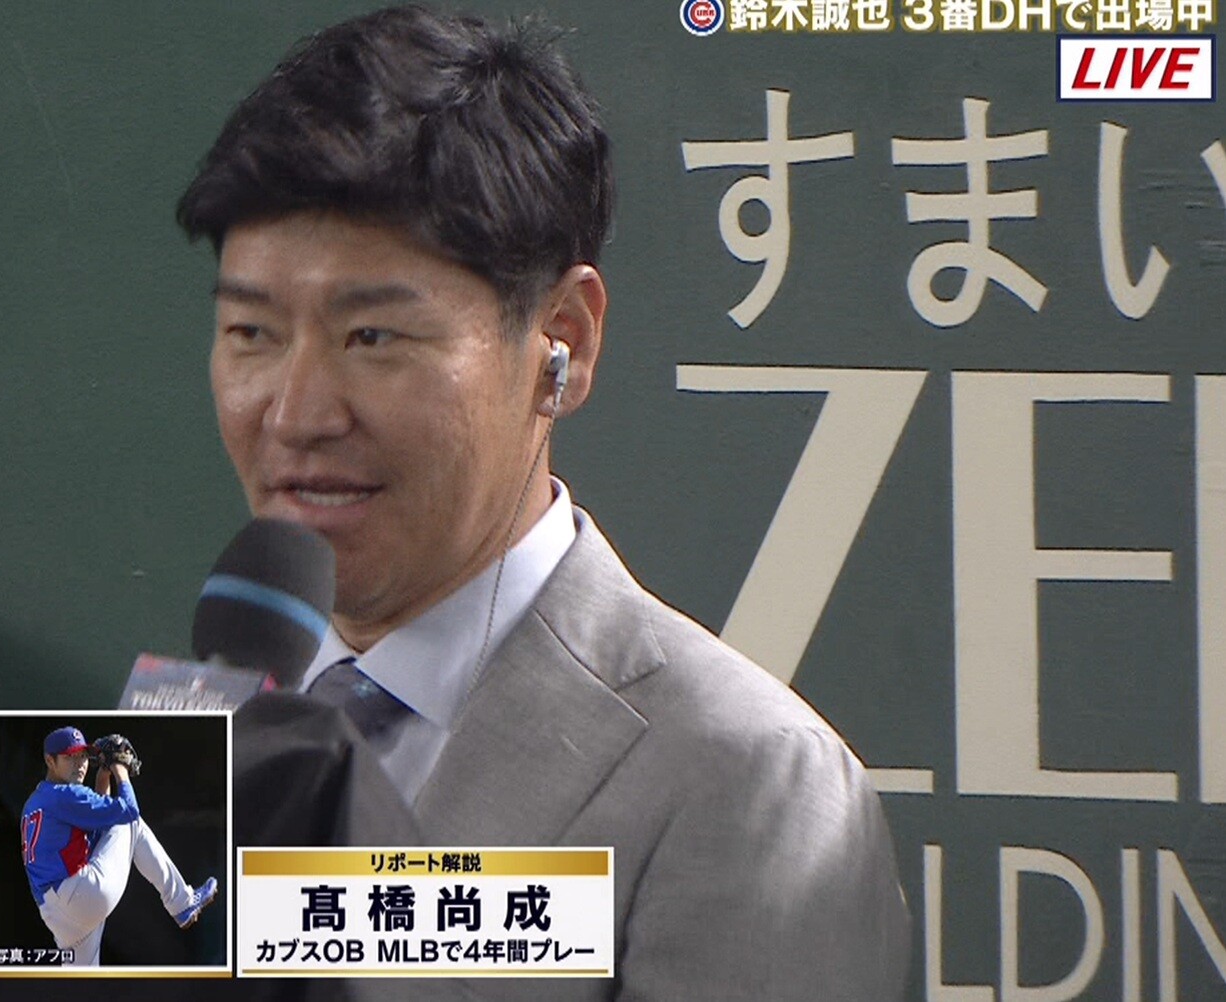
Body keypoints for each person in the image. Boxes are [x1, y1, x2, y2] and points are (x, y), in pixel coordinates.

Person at [175, 5, 910, 1000]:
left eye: (372, 338)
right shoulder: (188, 741)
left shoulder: (747, 782)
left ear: (563, 340)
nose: (296, 414)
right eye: (252, 335)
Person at [20, 725, 218, 966]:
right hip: (80, 894)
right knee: (131, 824)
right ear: (49, 760)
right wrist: (120, 771)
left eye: (83, 756)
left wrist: (103, 776)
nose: (80, 764)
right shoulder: (66, 795)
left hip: (55, 915)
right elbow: (129, 811)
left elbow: (97, 831)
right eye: (70, 757)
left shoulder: (36, 802)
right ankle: (182, 903)